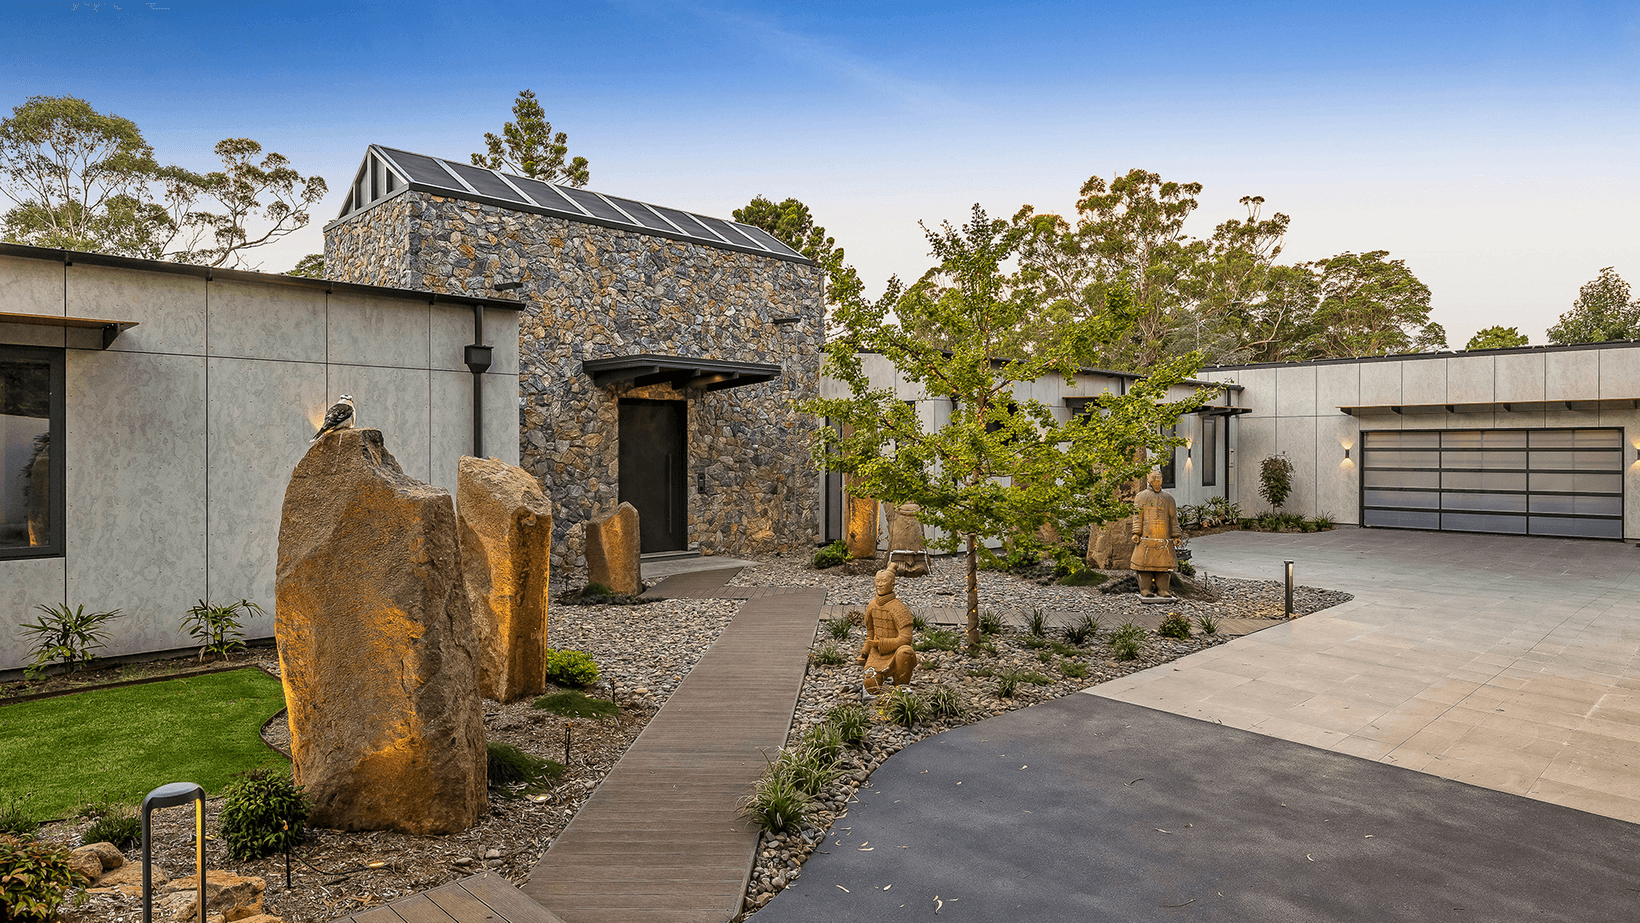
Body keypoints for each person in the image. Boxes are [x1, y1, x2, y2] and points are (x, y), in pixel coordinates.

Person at [858, 568, 918, 692]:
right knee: (870, 686)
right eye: (877, 581)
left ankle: (901, 683)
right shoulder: (871, 606)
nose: (879, 584)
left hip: (896, 654)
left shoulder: (899, 608)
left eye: (884, 581)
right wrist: (865, 651)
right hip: (877, 655)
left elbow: (906, 638)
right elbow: (870, 633)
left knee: (906, 652)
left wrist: (881, 643)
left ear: (892, 584)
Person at [1129, 469, 1183, 598]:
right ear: (1148, 479)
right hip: (1146, 537)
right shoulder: (1141, 496)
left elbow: (1173, 519)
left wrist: (1176, 535)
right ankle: (1145, 589)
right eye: (1154, 478)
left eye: (1159, 478)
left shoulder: (1168, 498)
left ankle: (1163, 590)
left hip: (1164, 538)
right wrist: (1136, 532)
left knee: (1164, 568)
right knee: (1144, 566)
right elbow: (1137, 517)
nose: (1157, 480)